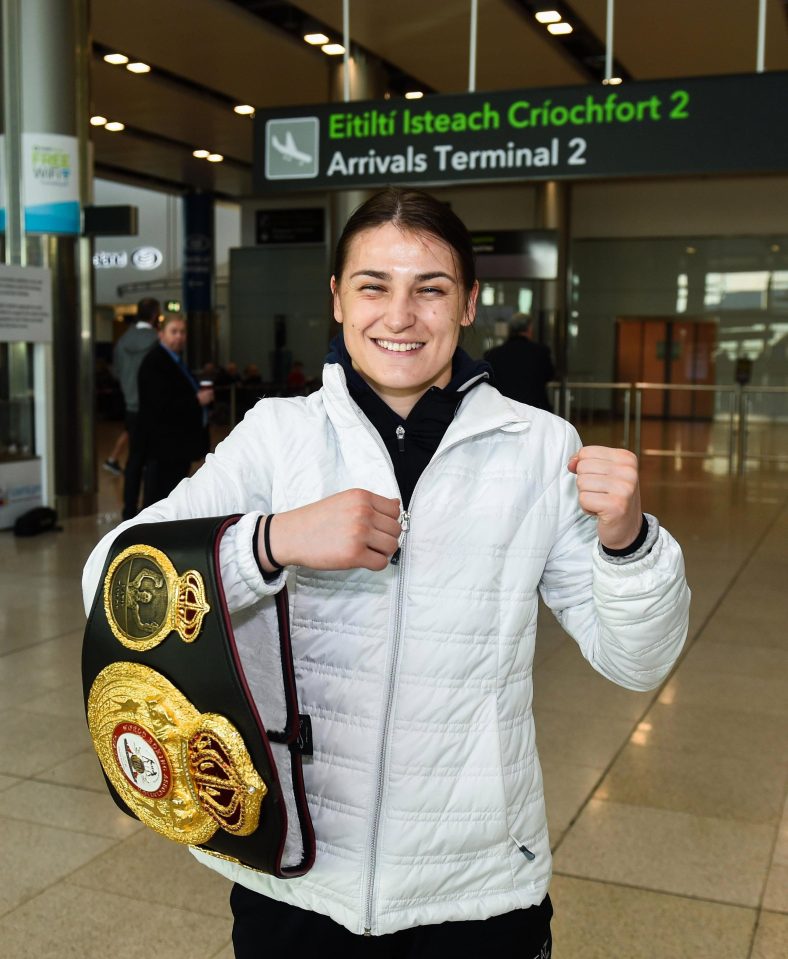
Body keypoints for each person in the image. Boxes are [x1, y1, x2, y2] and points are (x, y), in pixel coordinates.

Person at [83, 189, 690, 957]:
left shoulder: (538, 448)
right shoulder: (276, 436)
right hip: (296, 880)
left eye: (430, 289)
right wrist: (269, 541)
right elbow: (110, 580)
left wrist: (627, 539)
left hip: (476, 890)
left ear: (470, 302)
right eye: (374, 286)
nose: (399, 316)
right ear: (337, 298)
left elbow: (639, 659)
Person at [136, 314, 214, 506]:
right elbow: (160, 404)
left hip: (177, 446)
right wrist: (196, 400)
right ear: (161, 334)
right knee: (161, 498)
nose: (179, 336)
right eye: (174, 332)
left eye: (182, 332)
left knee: (173, 495)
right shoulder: (156, 362)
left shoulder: (175, 360)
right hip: (165, 447)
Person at [110, 299, 160, 517]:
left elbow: (117, 372)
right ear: (155, 315)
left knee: (134, 460)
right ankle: (149, 509)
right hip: (153, 408)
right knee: (154, 461)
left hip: (131, 407)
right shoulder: (157, 341)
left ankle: (128, 509)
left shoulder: (122, 342)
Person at [484, 312, 555, 411]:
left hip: (503, 411)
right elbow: (549, 375)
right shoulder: (541, 352)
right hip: (534, 411)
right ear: (529, 329)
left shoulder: (492, 355)